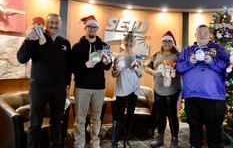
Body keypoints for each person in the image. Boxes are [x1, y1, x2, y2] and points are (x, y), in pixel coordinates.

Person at [17, 14, 71, 148]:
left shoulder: (65, 43)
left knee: (57, 121)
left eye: (56, 23)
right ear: (46, 24)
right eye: (51, 22)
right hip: (39, 87)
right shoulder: (36, 38)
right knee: (35, 123)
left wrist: (68, 85)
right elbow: (21, 58)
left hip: (59, 88)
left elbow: (68, 66)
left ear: (61, 25)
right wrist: (29, 38)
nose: (53, 25)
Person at [176, 24, 229, 148]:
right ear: (195, 35)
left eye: (205, 32)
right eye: (199, 32)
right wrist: (190, 62)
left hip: (214, 97)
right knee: (194, 131)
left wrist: (212, 62)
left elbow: (227, 67)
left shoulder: (219, 49)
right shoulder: (187, 50)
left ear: (210, 35)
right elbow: (178, 67)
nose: (202, 35)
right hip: (192, 96)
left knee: (214, 132)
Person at [72, 15, 112, 148]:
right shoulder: (77, 47)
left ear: (97, 29)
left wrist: (108, 61)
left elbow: (106, 67)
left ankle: (95, 142)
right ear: (85, 28)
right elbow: (72, 67)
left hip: (99, 88)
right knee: (80, 119)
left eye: (94, 27)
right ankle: (79, 143)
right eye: (89, 26)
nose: (92, 29)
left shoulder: (103, 46)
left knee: (96, 118)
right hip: (82, 88)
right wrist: (85, 65)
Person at [145, 31, 182, 148]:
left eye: (169, 41)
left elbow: (182, 71)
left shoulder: (178, 56)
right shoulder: (156, 55)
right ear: (161, 43)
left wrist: (174, 72)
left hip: (173, 89)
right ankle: (160, 137)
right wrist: (153, 72)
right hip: (158, 89)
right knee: (160, 114)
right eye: (165, 41)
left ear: (173, 43)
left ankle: (174, 139)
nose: (167, 43)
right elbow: (147, 67)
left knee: (171, 114)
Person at [111, 31, 143, 148]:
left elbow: (140, 75)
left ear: (134, 43)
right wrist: (118, 69)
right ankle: (114, 142)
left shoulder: (137, 56)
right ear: (123, 42)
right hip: (122, 88)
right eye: (127, 41)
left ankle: (126, 138)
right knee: (118, 115)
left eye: (131, 41)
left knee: (130, 114)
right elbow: (113, 75)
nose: (129, 43)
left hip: (134, 89)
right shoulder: (118, 56)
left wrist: (138, 68)